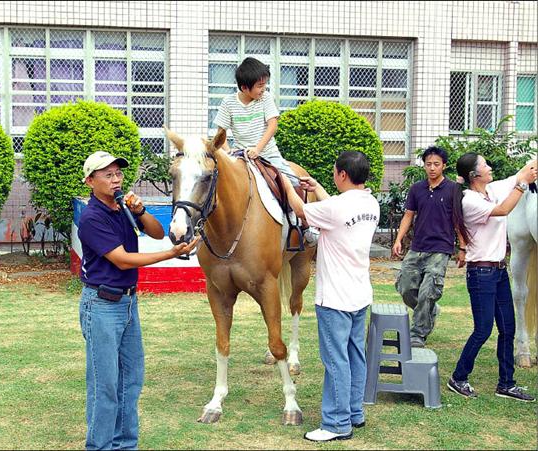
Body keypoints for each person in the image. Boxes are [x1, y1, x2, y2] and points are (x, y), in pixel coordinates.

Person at [78, 150, 199, 450]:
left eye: (118, 173)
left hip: (128, 304)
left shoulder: (123, 207)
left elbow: (158, 234)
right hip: (102, 305)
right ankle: (100, 446)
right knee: (104, 385)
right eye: (107, 174)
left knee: (131, 380)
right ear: (90, 181)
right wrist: (171, 255)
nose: (116, 178)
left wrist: (142, 211)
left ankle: (125, 445)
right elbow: (121, 260)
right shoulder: (92, 217)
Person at [281, 151, 380, 442]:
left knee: (336, 360)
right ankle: (353, 412)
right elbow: (337, 210)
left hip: (335, 298)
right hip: (360, 294)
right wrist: (319, 189)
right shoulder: (371, 203)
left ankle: (336, 424)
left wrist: (288, 184)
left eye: (335, 172)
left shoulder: (336, 208)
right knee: (354, 355)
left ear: (342, 175)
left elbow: (301, 210)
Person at [447, 152, 537, 402]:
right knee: (483, 329)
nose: (490, 167)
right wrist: (522, 185)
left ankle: (506, 383)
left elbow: (519, 174)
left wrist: (527, 172)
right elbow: (504, 209)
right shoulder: (470, 201)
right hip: (481, 273)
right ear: (474, 175)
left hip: (498, 272)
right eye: (485, 165)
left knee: (507, 328)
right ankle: (458, 377)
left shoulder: (491, 189)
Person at [214, 56, 319, 246]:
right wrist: (229, 151)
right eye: (260, 86)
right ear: (245, 88)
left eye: (265, 84)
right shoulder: (228, 103)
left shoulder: (265, 98)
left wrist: (258, 149)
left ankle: (304, 225)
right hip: (241, 156)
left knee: (294, 181)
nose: (263, 89)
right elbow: (221, 133)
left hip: (268, 154)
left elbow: (272, 125)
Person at [392, 146, 469, 348]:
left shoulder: (453, 189)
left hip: (441, 248)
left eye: (436, 164)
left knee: (428, 291)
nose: (432, 168)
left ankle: (418, 334)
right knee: (405, 287)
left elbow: (457, 221)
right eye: (428, 164)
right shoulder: (417, 189)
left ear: (444, 166)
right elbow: (408, 215)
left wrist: (462, 247)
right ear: (424, 166)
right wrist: (399, 239)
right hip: (417, 246)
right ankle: (430, 311)